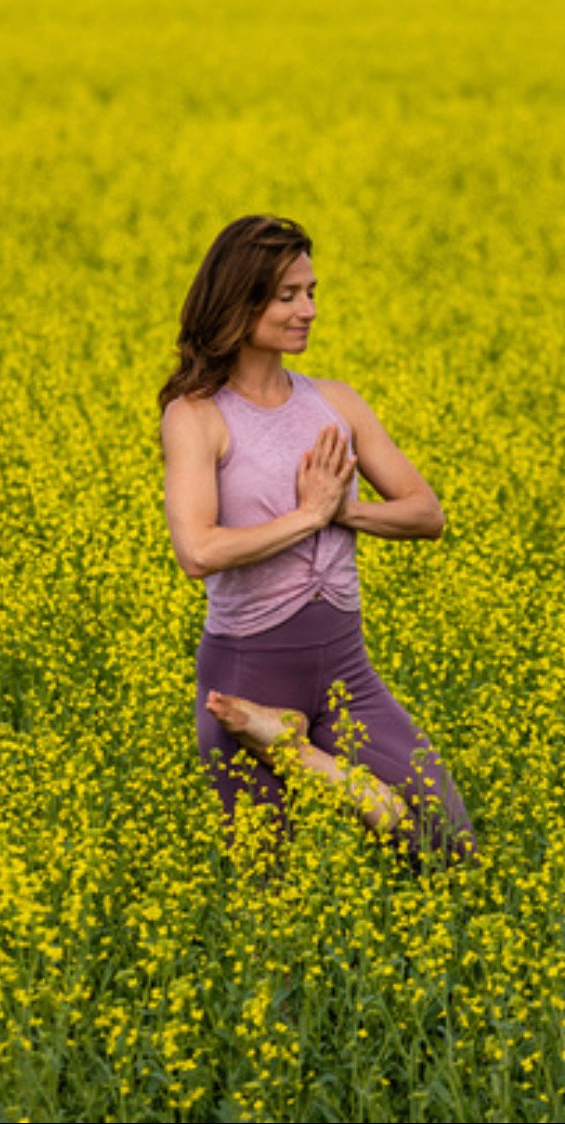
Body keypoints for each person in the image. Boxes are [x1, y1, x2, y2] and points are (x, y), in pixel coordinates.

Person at [158, 213, 477, 867]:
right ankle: (282, 740)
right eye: (288, 295)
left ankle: (297, 750)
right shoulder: (197, 416)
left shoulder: (336, 401)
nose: (308, 309)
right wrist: (306, 517)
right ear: (240, 302)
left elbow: (425, 513)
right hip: (248, 673)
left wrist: (340, 514)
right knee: (269, 897)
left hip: (344, 669)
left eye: (311, 291)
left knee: (448, 845)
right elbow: (197, 551)